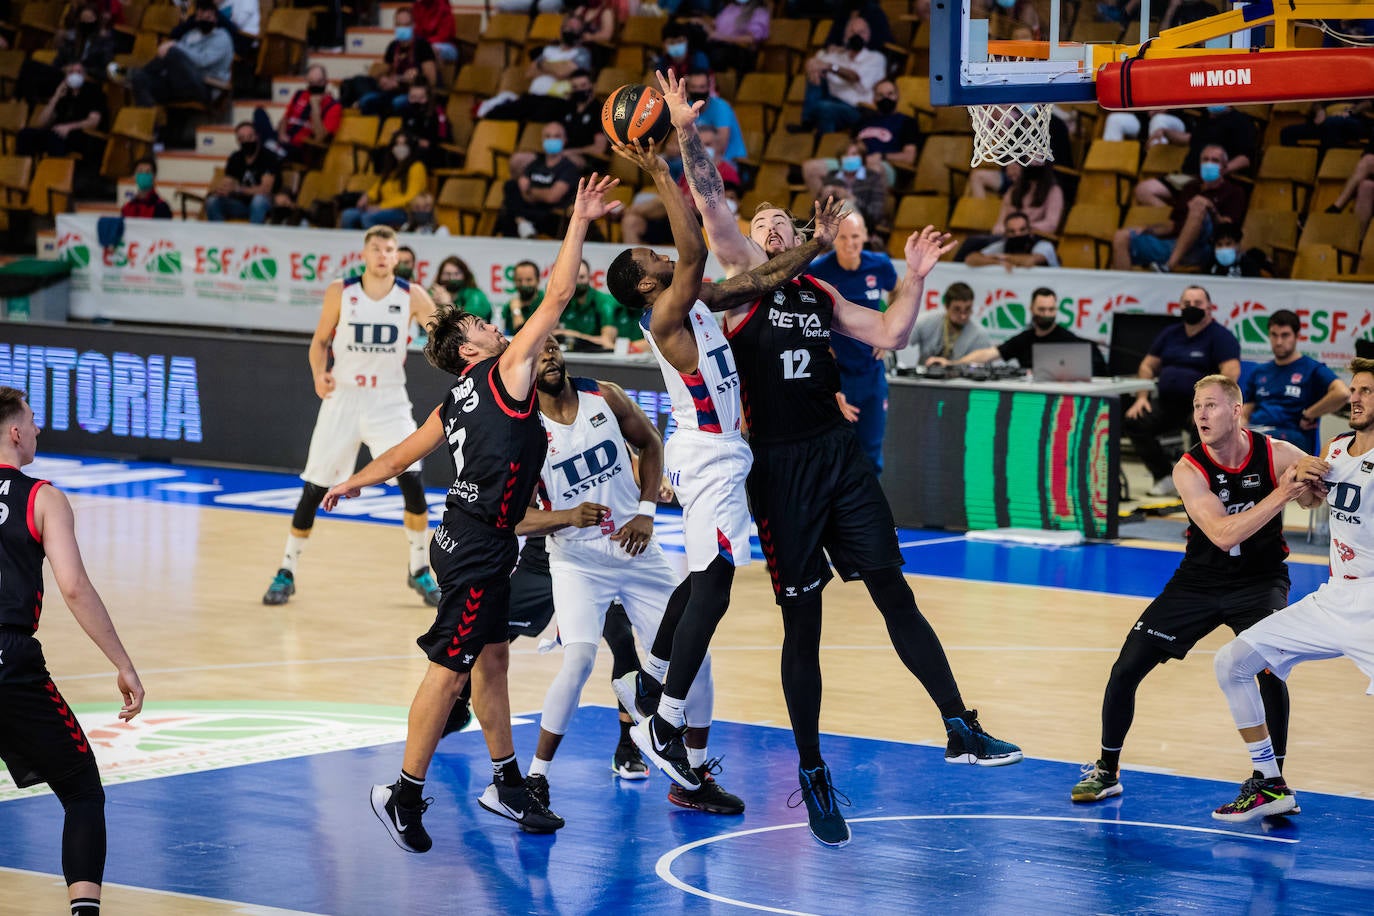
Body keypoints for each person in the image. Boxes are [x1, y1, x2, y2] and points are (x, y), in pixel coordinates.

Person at [663, 69, 1021, 849]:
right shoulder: (741, 284)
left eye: (779, 221)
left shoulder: (820, 295)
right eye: (758, 221)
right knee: (804, 627)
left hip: (837, 455)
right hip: (780, 469)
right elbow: (712, 202)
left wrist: (918, 280)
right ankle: (813, 769)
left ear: (797, 236)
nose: (766, 224)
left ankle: (959, 724)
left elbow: (890, 334)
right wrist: (688, 130)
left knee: (895, 590)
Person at [323, 174, 624, 851]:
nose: (497, 328)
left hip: (468, 537)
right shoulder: (503, 372)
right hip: (479, 544)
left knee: (492, 661)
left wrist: (353, 481)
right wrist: (577, 221)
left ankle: (505, 781)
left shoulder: (455, 397)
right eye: (485, 327)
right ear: (471, 351)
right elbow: (558, 295)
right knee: (450, 667)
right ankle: (402, 793)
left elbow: (401, 454)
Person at [603, 135, 848, 799]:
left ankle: (652, 674)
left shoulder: (700, 298)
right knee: (713, 583)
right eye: (654, 258)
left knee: (705, 578)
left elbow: (762, 278)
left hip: (720, 454)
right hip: (706, 454)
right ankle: (666, 723)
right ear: (650, 284)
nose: (667, 256)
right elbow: (690, 248)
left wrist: (815, 244)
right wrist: (659, 169)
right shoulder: (668, 309)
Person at [516, 338, 743, 814]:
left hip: (638, 553)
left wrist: (644, 511)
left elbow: (651, 443)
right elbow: (513, 519)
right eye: (539, 354)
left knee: (698, 660)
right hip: (578, 563)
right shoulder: (521, 429)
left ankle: (694, 777)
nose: (550, 357)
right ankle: (534, 781)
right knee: (577, 662)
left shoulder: (606, 395)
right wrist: (566, 516)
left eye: (553, 348)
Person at [1070, 375, 1315, 805]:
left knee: (1268, 670)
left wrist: (1311, 485)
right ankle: (1107, 769)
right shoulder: (1189, 467)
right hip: (1198, 582)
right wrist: (1282, 495)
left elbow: (1313, 492)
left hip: (1260, 581)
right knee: (1126, 668)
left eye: (1212, 406)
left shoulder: (1275, 452)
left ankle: (1273, 781)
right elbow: (1222, 534)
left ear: (1236, 411)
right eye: (1197, 406)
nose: (1201, 415)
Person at [0, 386, 146, 915]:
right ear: (15, 432)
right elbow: (75, 586)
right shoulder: (42, 497)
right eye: (33, 422)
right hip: (9, 660)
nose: (38, 430)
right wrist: (123, 664)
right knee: (82, 790)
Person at [1210, 359, 1374, 822]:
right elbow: (1314, 500)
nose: (1355, 398)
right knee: (1233, 662)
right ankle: (1270, 783)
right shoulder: (1338, 447)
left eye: (1366, 391)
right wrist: (1305, 484)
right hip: (1334, 598)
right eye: (1355, 390)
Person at [261, 226, 441, 609]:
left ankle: (419, 568)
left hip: (388, 400)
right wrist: (317, 373)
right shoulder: (341, 291)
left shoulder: (412, 295)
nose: (382, 255)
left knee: (412, 479)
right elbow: (320, 341)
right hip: (343, 396)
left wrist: (450, 320)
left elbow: (442, 335)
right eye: (375, 248)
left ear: (397, 257)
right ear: (364, 253)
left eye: (388, 249)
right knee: (315, 486)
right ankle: (286, 570)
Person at [1125, 285, 1241, 496]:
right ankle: (1164, 476)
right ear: (1179, 307)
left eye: (1197, 304)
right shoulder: (1170, 334)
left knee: (1205, 430)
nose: (1191, 307)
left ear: (1209, 308)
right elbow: (1147, 366)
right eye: (1187, 304)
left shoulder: (1220, 336)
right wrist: (1142, 397)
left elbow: (1231, 372)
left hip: (1201, 405)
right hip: (1167, 402)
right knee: (1135, 421)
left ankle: (1199, 484)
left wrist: (1211, 405)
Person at [808, 211, 896, 473]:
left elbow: (899, 290)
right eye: (843, 237)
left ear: (866, 235)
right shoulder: (818, 270)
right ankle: (833, 513)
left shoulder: (880, 264)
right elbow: (807, 316)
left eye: (856, 236)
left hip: (871, 373)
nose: (849, 243)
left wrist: (888, 328)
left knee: (871, 451)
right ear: (834, 238)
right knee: (834, 452)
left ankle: (871, 513)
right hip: (836, 375)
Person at [1112, 144, 1248, 273]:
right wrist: (1148, 229)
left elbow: (1228, 228)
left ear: (1224, 167)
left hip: (1206, 247)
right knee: (1122, 236)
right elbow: (1173, 225)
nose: (1209, 164)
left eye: (1215, 160)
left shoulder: (1234, 191)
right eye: (1205, 160)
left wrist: (1210, 208)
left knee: (1198, 206)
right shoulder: (1190, 188)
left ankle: (1168, 266)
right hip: (1175, 243)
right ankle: (1124, 291)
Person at [1242, 309, 1348, 452]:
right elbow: (1244, 414)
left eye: (1285, 335)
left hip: (1291, 435)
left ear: (1297, 336)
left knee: (1259, 443)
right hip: (1257, 430)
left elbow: (1342, 392)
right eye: (1274, 335)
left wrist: (1309, 414)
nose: (1279, 342)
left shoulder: (1311, 368)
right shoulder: (1260, 371)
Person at [955, 287, 1107, 374]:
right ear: (1031, 309)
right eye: (1042, 309)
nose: (1046, 314)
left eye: (1051, 310)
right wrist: (952, 364)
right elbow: (989, 354)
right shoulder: (1025, 339)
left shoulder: (1069, 340)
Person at [15, 63, 107, 193]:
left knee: (55, 139)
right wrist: (56, 97)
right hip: (57, 132)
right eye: (71, 72)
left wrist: (68, 127)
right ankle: (23, 179)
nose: (75, 75)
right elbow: (41, 122)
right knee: (25, 134)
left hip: (81, 134)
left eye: (79, 72)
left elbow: (93, 121)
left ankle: (54, 183)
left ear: (85, 76)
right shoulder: (64, 95)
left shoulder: (94, 92)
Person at [128, 0, 233, 108]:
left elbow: (202, 61)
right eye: (200, 17)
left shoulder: (222, 37)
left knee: (172, 52)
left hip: (206, 86)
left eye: (208, 18)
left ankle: (135, 72)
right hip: (179, 83)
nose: (204, 21)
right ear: (196, 18)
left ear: (215, 19)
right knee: (140, 79)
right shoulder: (192, 34)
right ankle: (151, 123)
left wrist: (175, 45)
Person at [794, 17, 886, 135]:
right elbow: (815, 63)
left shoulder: (875, 58)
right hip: (831, 101)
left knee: (824, 108)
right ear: (845, 36)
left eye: (861, 32)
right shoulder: (836, 56)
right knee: (817, 74)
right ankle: (806, 124)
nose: (856, 35)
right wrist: (811, 65)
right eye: (852, 32)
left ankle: (820, 140)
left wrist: (831, 67)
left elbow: (855, 77)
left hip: (856, 108)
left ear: (868, 36)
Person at [494, 122, 580, 240]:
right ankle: (521, 222)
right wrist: (537, 193)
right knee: (510, 186)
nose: (552, 140)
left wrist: (530, 191)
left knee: (511, 213)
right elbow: (521, 187)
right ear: (542, 140)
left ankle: (521, 221)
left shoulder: (568, 168)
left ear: (565, 140)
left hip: (550, 213)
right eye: (548, 136)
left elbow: (552, 197)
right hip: (530, 208)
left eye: (557, 136)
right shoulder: (535, 164)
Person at [357, 7, 438, 115]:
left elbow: (432, 80)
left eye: (406, 25)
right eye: (399, 25)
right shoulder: (393, 46)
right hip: (393, 91)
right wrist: (384, 79)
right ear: (395, 26)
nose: (402, 28)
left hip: (413, 93)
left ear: (413, 26)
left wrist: (417, 77)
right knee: (366, 101)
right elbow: (383, 71)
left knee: (397, 103)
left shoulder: (423, 45)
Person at [255, 64, 342, 165]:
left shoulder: (333, 106)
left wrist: (315, 108)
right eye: (312, 82)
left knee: (263, 147)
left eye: (319, 82)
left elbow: (320, 138)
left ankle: (267, 147)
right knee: (259, 113)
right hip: (284, 139)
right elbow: (285, 118)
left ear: (326, 82)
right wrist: (282, 134)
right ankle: (271, 147)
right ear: (308, 82)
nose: (316, 86)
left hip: (300, 149)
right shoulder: (299, 94)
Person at [340, 130, 428, 230]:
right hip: (383, 208)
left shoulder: (417, 167)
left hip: (403, 211)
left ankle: (377, 244)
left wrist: (382, 207)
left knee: (367, 217)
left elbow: (411, 197)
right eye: (397, 144)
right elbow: (378, 187)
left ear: (411, 147)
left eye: (404, 144)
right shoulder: (391, 168)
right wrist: (367, 196)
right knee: (347, 215)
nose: (400, 148)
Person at [204, 121, 281, 224]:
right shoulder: (235, 157)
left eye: (250, 137)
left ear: (257, 137)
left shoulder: (268, 157)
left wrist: (238, 189)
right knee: (213, 202)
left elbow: (265, 190)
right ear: (238, 140)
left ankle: (253, 238)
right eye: (242, 138)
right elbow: (228, 182)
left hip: (265, 204)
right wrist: (222, 190)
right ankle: (220, 237)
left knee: (258, 201)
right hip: (241, 204)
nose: (247, 141)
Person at [909, 282, 994, 367]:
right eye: (957, 309)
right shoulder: (926, 322)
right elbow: (901, 342)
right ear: (946, 306)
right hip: (924, 377)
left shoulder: (979, 335)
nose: (963, 316)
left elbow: (983, 371)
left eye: (967, 309)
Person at [556, 260, 619, 351]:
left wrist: (572, 335)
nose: (578, 281)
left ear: (590, 278)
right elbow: (551, 333)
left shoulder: (603, 302)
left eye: (582, 277)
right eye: (574, 277)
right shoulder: (562, 301)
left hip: (596, 358)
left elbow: (607, 342)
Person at [964, 211, 1061, 270]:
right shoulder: (1002, 245)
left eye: (1022, 230)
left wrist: (1001, 257)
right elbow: (971, 259)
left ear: (1030, 231)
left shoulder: (1044, 245)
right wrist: (998, 263)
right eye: (1012, 231)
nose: (1018, 234)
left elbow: (1029, 262)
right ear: (1006, 234)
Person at [430, 255, 494, 323]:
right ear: (439, 276)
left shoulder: (476, 296)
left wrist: (447, 304)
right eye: (447, 274)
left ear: (465, 276)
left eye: (456, 274)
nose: (452, 278)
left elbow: (467, 325)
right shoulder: (434, 293)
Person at [504, 260, 543, 333]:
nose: (524, 284)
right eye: (519, 280)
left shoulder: (546, 303)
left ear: (538, 280)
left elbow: (529, 335)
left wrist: (516, 311)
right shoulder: (509, 306)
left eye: (529, 280)